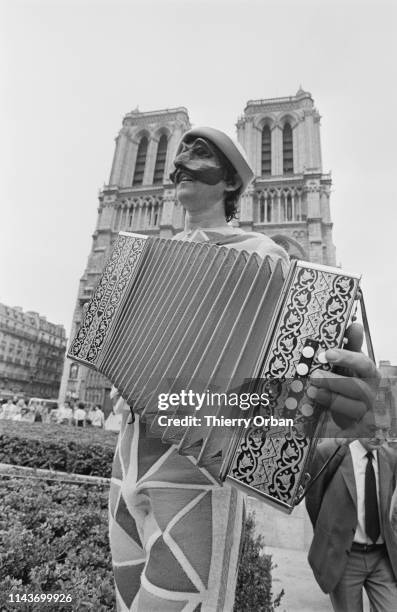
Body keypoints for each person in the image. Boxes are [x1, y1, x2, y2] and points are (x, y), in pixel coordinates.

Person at [108, 126, 380, 611]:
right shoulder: (144, 258)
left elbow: (291, 377)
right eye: (180, 150)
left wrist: (325, 401)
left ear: (232, 182)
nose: (182, 161)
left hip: (192, 473)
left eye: (200, 151)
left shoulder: (262, 256)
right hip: (123, 464)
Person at [306, 409, 397, 611]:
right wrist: (331, 536)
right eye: (373, 429)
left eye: (385, 430)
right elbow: (314, 501)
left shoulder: (391, 458)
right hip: (345, 558)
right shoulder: (329, 453)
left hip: (381, 557)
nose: (379, 437)